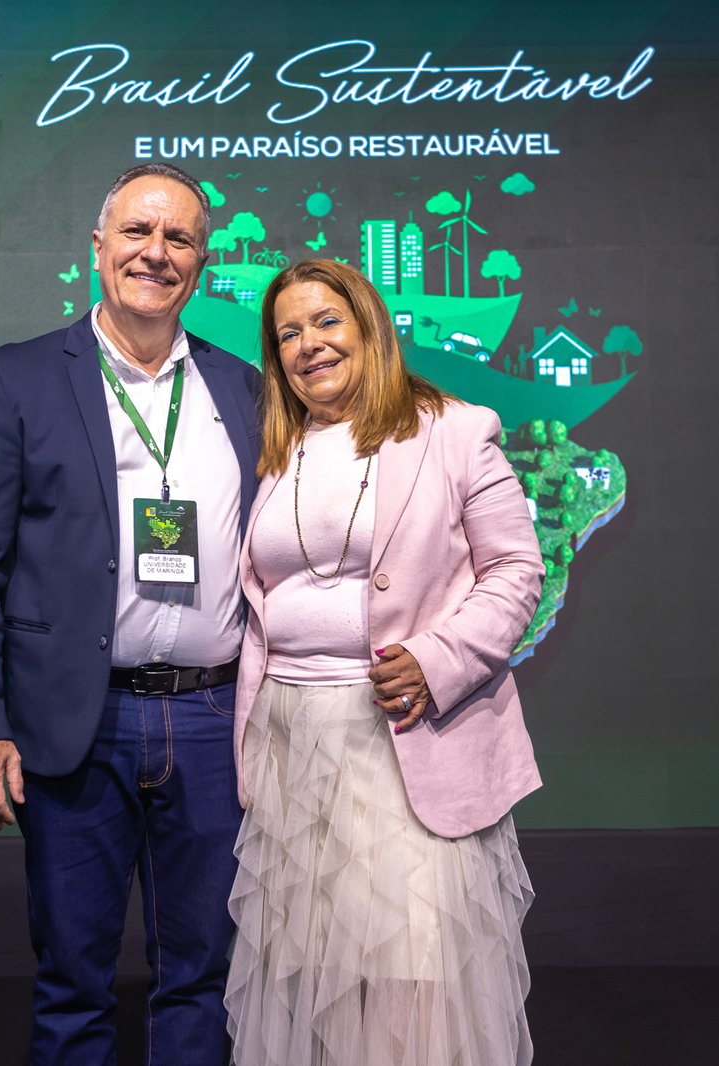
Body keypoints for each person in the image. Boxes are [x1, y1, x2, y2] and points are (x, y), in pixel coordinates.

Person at [0, 162, 261, 1066]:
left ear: (202, 261)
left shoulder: (244, 388)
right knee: (73, 980)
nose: (157, 252)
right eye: (137, 232)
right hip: (78, 722)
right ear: (98, 245)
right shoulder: (15, 378)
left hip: (214, 719)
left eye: (179, 238)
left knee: (202, 976)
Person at [225, 258, 545, 1065]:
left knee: (414, 974)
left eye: (326, 321)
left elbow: (516, 570)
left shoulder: (453, 430)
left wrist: (438, 659)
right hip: (293, 747)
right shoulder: (279, 450)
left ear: (369, 327)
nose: (308, 344)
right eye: (288, 333)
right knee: (317, 977)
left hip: (405, 739)